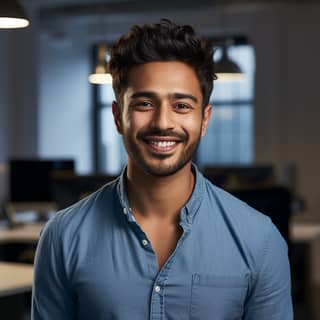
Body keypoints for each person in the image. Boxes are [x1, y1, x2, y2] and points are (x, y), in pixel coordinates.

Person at [32, 19, 293, 319]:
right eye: (144, 103)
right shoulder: (62, 238)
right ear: (118, 116)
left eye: (181, 106)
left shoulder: (260, 241)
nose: (162, 123)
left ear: (205, 119)